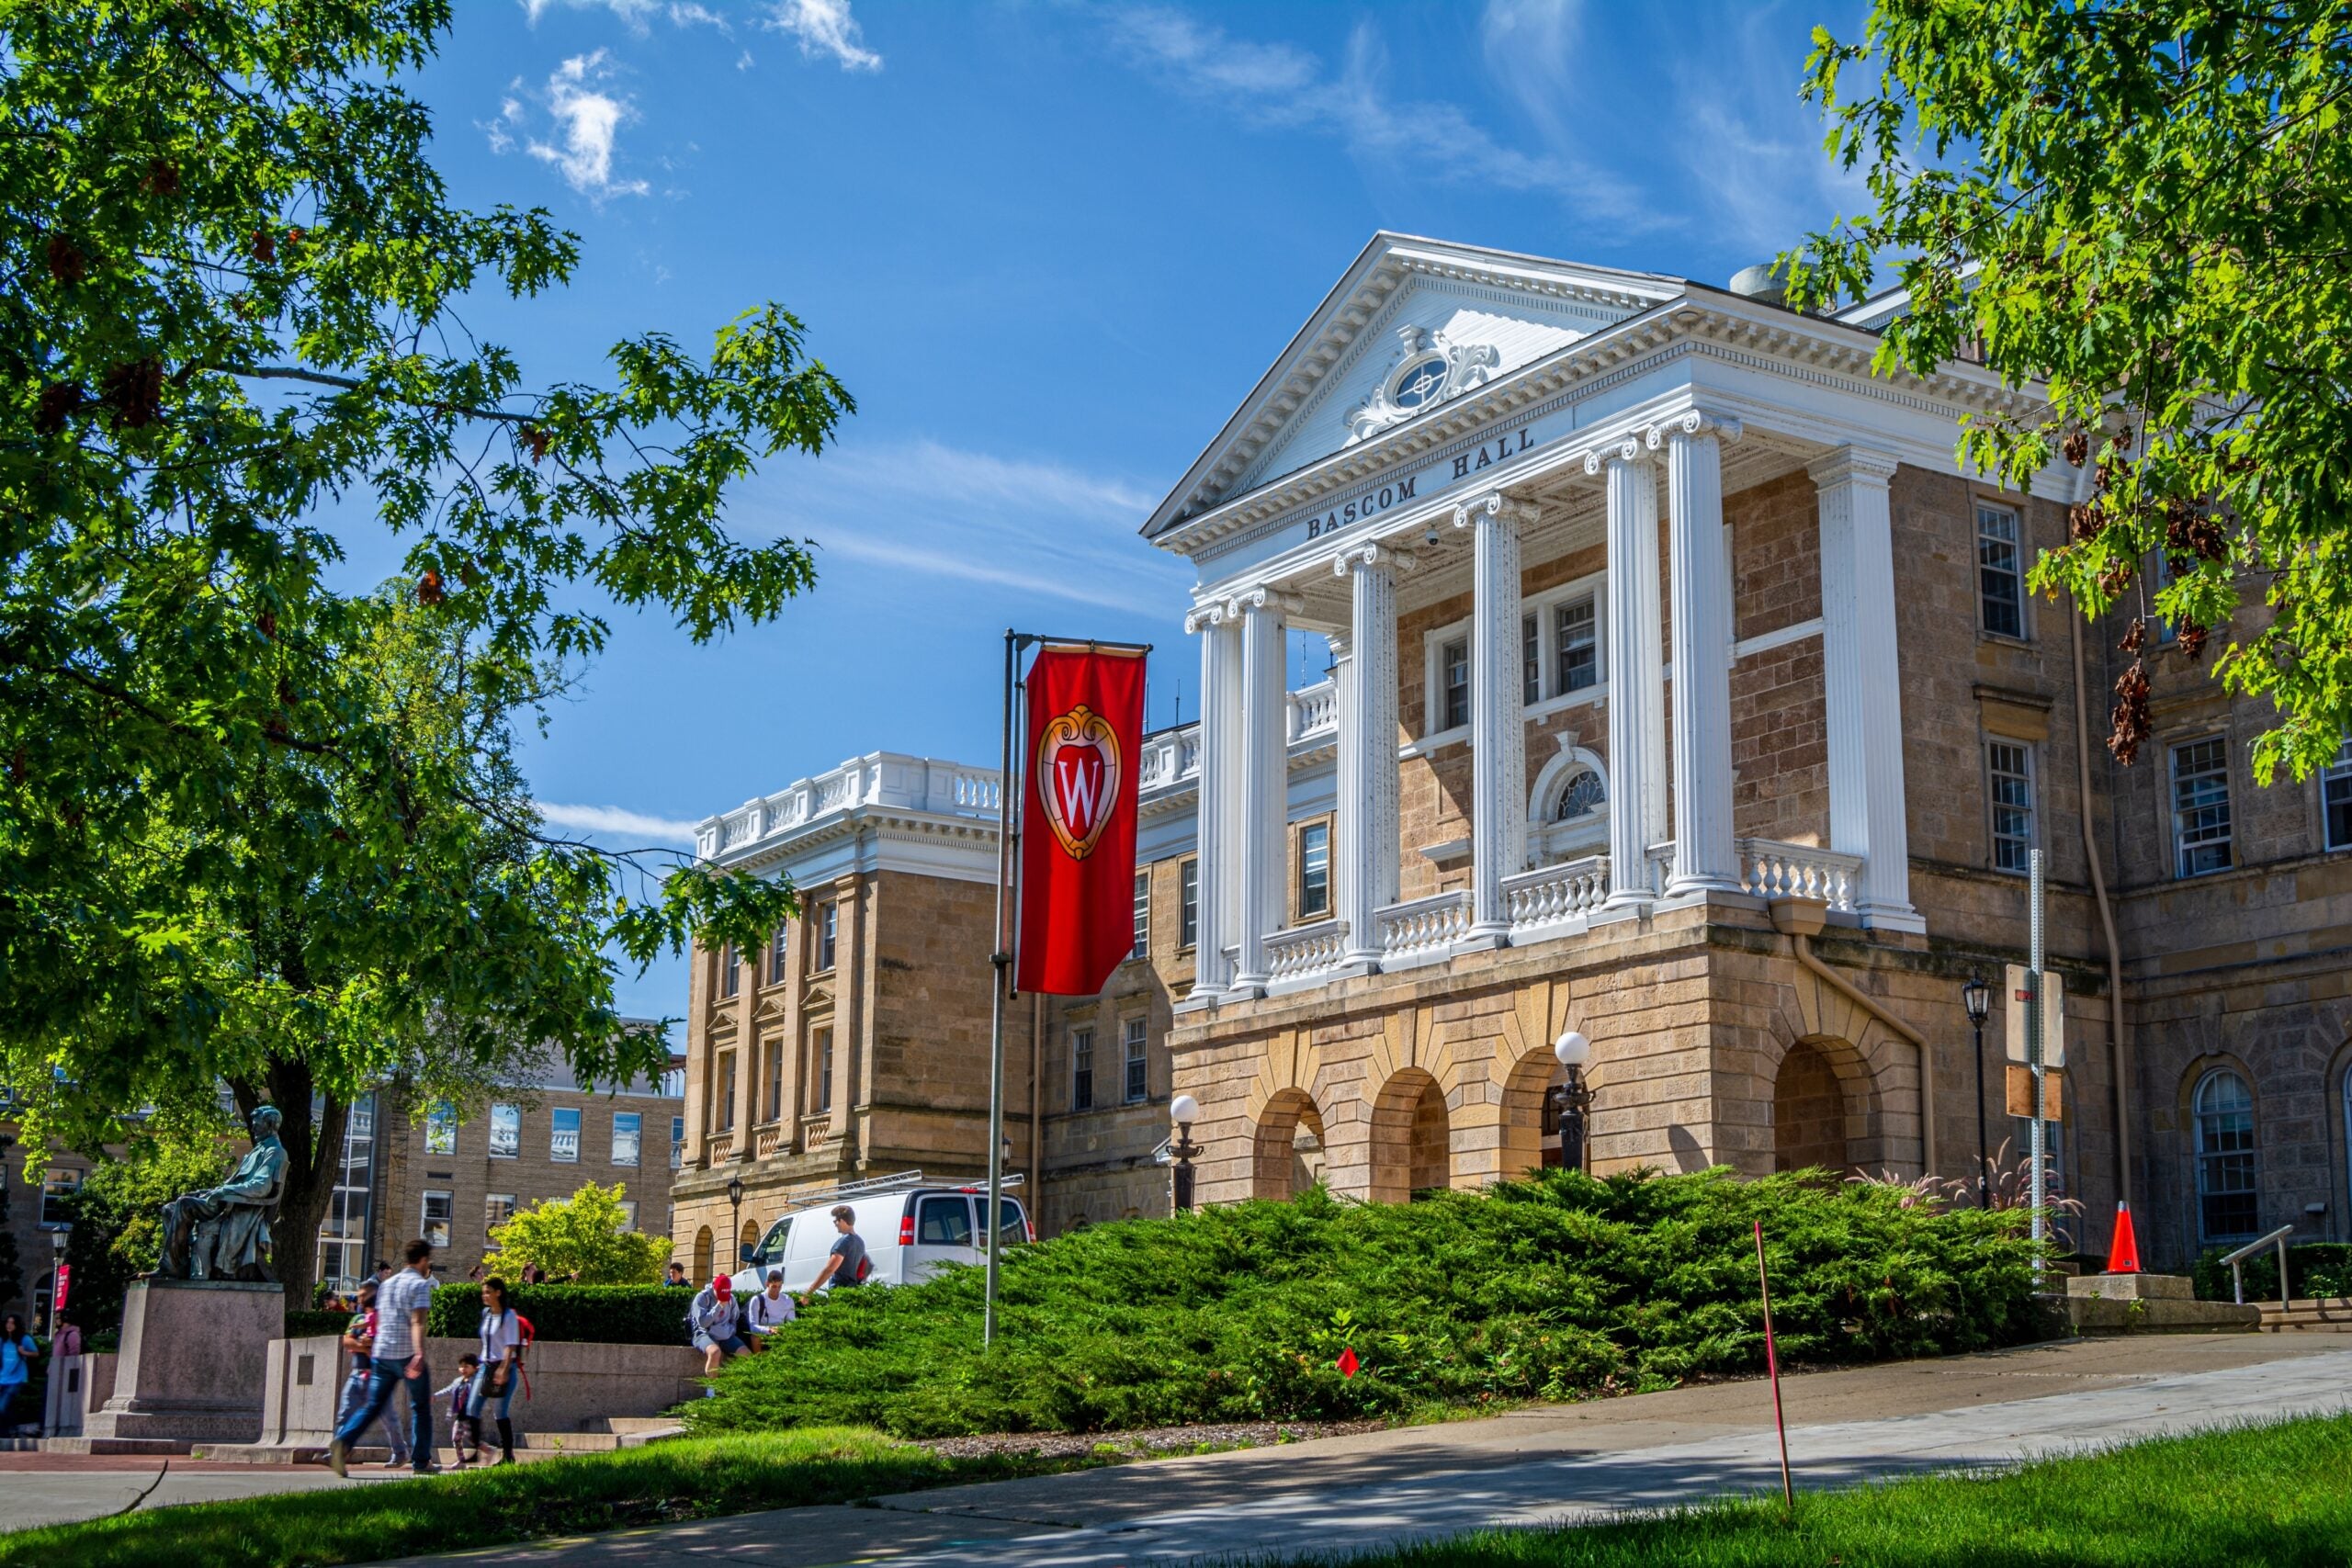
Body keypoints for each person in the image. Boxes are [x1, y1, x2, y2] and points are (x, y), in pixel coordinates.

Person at [328, 1236, 439, 1478]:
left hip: (381, 1354)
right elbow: (418, 1321)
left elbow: (379, 1318)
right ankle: (421, 1461)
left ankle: (343, 1443)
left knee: (372, 1405)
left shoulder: (387, 1284)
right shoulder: (420, 1285)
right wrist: (419, 1353)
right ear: (422, 1260)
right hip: (406, 1353)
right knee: (420, 1407)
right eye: (428, 1261)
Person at [334, 1283, 410, 1469]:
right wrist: (363, 1346)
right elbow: (347, 1340)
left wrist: (371, 1345)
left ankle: (400, 1453)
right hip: (357, 1373)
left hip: (378, 1376)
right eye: (360, 1295)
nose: (360, 1299)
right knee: (345, 1413)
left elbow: (390, 1342)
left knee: (389, 1419)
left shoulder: (385, 1318)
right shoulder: (359, 1318)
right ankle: (339, 1452)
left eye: (363, 1295)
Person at [471, 1276, 525, 1467]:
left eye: (488, 1292)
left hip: (504, 1367)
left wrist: (503, 1369)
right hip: (485, 1367)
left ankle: (508, 1456)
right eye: (483, 1292)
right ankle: (481, 1448)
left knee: (500, 1412)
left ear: (498, 1293)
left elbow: (511, 1345)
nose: (484, 1295)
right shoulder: (486, 1313)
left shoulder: (508, 1316)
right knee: (472, 1408)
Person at [686, 1272, 747, 1380]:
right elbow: (703, 1323)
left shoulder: (731, 1299)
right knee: (715, 1352)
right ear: (714, 1287)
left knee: (746, 1354)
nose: (723, 1298)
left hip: (725, 1334)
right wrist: (718, 1306)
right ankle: (711, 1390)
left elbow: (734, 1318)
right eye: (720, 1293)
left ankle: (742, 1389)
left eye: (725, 1294)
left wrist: (730, 1331)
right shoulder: (702, 1298)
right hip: (704, 1333)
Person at [806, 1206, 868, 1295]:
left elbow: (830, 1269)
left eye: (836, 1221)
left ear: (842, 1221)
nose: (835, 1224)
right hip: (853, 1291)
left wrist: (809, 1291)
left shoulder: (844, 1242)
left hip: (839, 1292)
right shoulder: (860, 1242)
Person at [437, 1355, 481, 1467]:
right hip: (460, 1415)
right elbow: (448, 1390)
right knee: (456, 1437)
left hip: (471, 1416)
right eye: (461, 1367)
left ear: (474, 1368)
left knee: (472, 1439)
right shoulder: (458, 1381)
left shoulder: (476, 1380)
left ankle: (488, 1450)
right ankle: (461, 1461)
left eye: (466, 1366)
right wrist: (434, 1396)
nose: (463, 1369)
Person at [0, 1314, 37, 1433]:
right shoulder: (2, 1340)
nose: (9, 1325)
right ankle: (12, 1430)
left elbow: (36, 1353)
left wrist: (24, 1352)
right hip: (3, 1378)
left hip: (17, 1378)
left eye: (12, 1323)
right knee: (7, 1407)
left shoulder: (24, 1339)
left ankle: (7, 1431)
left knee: (2, 1405)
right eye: (8, 1322)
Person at [743, 1269, 797, 1346]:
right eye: (774, 1286)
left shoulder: (788, 1300)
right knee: (755, 1337)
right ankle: (758, 1357)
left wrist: (781, 1330)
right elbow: (753, 1327)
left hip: (781, 1332)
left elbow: (792, 1324)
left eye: (779, 1287)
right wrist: (770, 1330)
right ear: (767, 1284)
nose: (777, 1290)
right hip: (764, 1333)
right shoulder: (757, 1300)